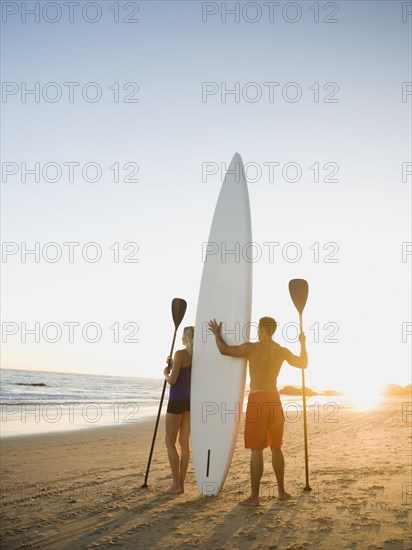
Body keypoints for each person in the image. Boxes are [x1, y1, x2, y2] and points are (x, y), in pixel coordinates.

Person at [208, 316, 307, 506]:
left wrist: (217, 334)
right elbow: (303, 363)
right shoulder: (281, 350)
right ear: (274, 330)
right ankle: (281, 491)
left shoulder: (251, 348)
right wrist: (303, 344)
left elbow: (224, 350)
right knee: (276, 447)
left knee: (256, 449)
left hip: (257, 399)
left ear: (261, 329)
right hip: (274, 400)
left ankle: (254, 497)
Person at [163, 325, 194, 494]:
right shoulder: (197, 357)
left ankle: (176, 485)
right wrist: (173, 363)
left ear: (186, 337)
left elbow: (173, 380)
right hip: (189, 402)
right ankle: (181, 484)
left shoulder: (180, 353)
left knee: (169, 441)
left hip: (176, 401)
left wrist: (166, 372)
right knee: (184, 443)